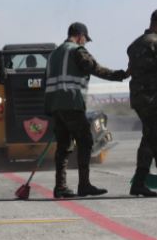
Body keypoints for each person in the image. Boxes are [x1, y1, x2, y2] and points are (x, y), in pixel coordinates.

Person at [45, 22, 128, 198]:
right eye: (85, 39)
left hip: (56, 106)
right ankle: (84, 185)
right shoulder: (77, 51)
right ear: (80, 35)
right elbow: (94, 68)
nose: (85, 43)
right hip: (72, 104)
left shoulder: (53, 54)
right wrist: (119, 75)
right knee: (86, 141)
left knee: (63, 146)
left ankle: (60, 186)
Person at [127, 10, 157, 197]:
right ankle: (138, 182)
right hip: (152, 98)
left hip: (139, 98)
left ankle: (139, 182)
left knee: (150, 137)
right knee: (152, 137)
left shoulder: (135, 45)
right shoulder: (154, 43)